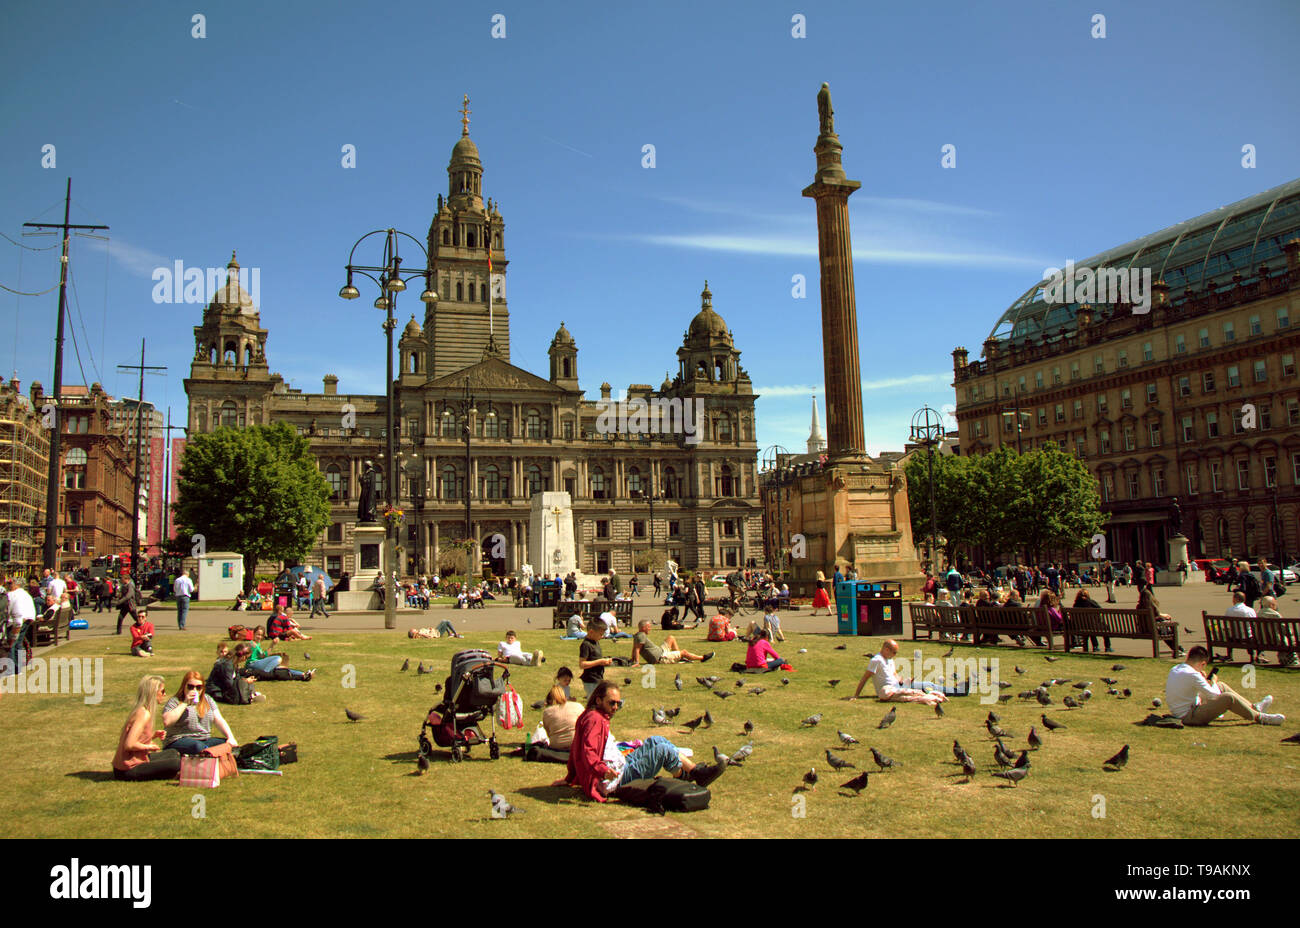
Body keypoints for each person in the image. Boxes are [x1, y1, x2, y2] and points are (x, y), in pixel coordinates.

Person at [555, 682, 725, 802]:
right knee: (662, 750)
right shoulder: (595, 720)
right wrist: (603, 771)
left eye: (618, 703)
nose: (615, 707)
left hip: (620, 766)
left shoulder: (592, 715)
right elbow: (587, 751)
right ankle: (691, 774)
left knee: (656, 740)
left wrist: (569, 777)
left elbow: (575, 750)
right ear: (598, 700)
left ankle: (693, 772)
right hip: (615, 779)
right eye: (612, 703)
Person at [1166, 646, 1284, 726]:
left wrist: (1207, 681)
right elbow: (1215, 696)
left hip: (1184, 709)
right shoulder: (1193, 674)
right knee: (1227, 697)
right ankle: (1260, 717)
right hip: (1189, 716)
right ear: (1202, 663)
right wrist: (1212, 682)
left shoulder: (1176, 669)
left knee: (1221, 685)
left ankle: (1253, 707)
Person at [113, 675, 183, 781]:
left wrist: (153, 735)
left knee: (173, 752)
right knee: (176, 763)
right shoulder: (143, 714)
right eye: (162, 691)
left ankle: (171, 773)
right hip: (128, 769)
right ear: (153, 693)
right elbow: (129, 744)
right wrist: (149, 747)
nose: (164, 694)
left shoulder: (142, 710)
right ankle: (173, 774)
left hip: (135, 761)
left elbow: (136, 737)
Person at [849, 639, 948, 706]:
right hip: (891, 690)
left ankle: (955, 691)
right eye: (894, 652)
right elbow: (865, 678)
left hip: (900, 685)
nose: (895, 655)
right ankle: (949, 693)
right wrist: (856, 695)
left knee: (928, 684)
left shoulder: (889, 659)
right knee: (924, 688)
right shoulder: (876, 661)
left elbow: (894, 674)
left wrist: (903, 680)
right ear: (886, 650)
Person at [162, 670, 239, 754]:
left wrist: (230, 737)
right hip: (178, 740)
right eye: (190, 687)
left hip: (204, 740)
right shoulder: (176, 701)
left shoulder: (208, 700)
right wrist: (185, 702)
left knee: (227, 744)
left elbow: (219, 720)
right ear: (184, 686)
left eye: (198, 687)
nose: (194, 690)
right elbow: (167, 721)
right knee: (198, 747)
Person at [630, 619, 713, 665]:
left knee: (671, 638)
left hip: (661, 651)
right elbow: (637, 649)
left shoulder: (638, 635)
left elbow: (634, 648)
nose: (650, 629)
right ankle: (702, 658)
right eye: (648, 627)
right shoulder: (641, 635)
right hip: (661, 658)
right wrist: (636, 662)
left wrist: (632, 659)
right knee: (684, 652)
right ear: (643, 627)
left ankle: (680, 658)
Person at [249, 627, 314, 680]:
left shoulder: (257, 644)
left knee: (282, 668)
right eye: (258, 634)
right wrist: (272, 645)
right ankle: (265, 674)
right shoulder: (252, 644)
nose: (259, 637)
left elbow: (263, 657)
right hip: (253, 664)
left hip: (259, 663)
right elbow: (263, 656)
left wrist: (272, 645)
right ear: (254, 634)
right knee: (278, 658)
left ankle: (303, 674)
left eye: (261, 635)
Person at [1137, 586, 1184, 658]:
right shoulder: (1150, 608)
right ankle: (1176, 648)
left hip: (1143, 629)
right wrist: (1164, 617)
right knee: (1166, 630)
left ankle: (1177, 648)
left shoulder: (1139, 607)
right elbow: (1157, 614)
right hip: (1152, 630)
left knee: (1164, 629)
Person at [4, 577, 36, 675]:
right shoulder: (26, 594)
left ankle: (11, 670)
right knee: (18, 644)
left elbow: (7, 608)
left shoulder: (12, 594)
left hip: (16, 621)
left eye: (10, 584)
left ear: (15, 584)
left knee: (11, 643)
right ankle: (18, 669)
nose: (9, 586)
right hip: (27, 620)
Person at [1256, 596, 1299, 667]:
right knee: (1292, 639)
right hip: (1276, 640)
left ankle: (1283, 658)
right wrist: (1291, 632)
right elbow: (1285, 629)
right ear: (1271, 605)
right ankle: (1292, 660)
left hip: (1262, 640)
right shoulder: (1275, 614)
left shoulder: (1258, 613)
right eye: (1274, 604)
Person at [541, 685, 584, 751]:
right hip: (576, 745)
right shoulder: (578, 706)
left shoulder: (547, 712)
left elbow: (548, 733)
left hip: (556, 747)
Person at [578, 619, 612, 698]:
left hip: (598, 678)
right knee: (593, 702)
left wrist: (605, 662)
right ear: (591, 632)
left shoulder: (596, 642)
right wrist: (600, 662)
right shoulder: (586, 645)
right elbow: (582, 664)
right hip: (590, 680)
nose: (602, 636)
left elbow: (595, 658)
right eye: (600, 634)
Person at [1071, 587, 1111, 653]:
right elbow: (1100, 609)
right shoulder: (1091, 602)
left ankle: (1095, 646)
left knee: (1089, 627)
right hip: (1093, 625)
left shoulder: (1076, 604)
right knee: (1103, 627)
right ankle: (1107, 646)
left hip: (1081, 626)